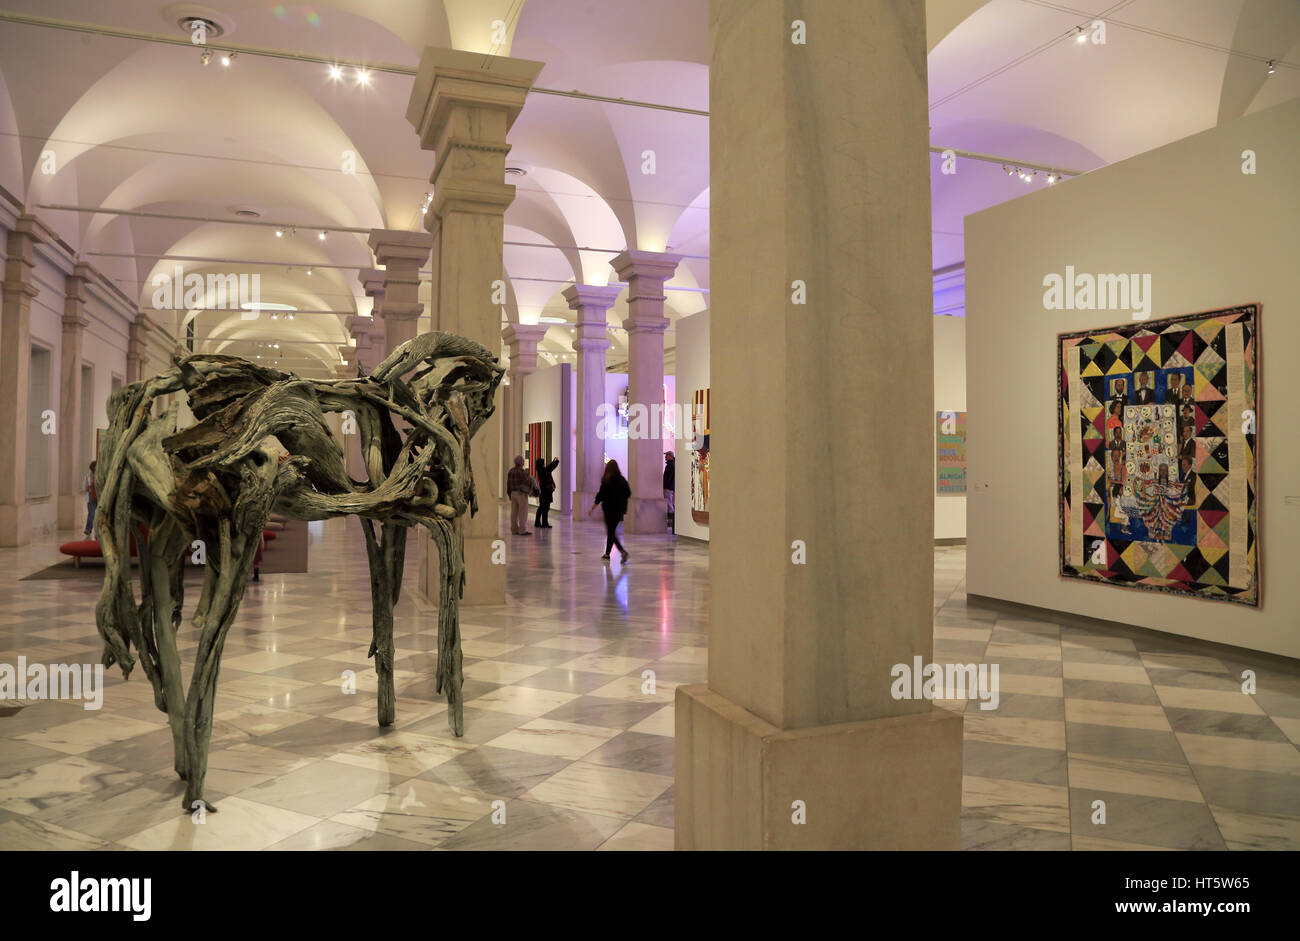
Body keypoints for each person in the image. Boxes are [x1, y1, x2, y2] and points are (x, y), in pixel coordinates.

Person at [590, 459, 631, 562]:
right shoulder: (622, 479)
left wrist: (593, 506)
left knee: (611, 531)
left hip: (609, 509)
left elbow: (601, 494)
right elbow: (628, 493)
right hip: (619, 510)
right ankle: (607, 553)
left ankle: (622, 551)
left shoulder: (606, 480)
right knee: (611, 531)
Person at [506, 455, 534, 535]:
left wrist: (509, 494)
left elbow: (508, 483)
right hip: (521, 494)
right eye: (523, 461)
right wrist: (530, 492)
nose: (524, 462)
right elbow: (527, 483)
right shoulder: (522, 472)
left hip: (513, 493)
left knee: (514, 513)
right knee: (523, 512)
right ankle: (522, 530)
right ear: (521, 462)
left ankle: (514, 530)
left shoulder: (511, 471)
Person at [534, 456, 559, 529]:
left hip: (544, 491)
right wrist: (556, 461)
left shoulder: (540, 470)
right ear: (542, 464)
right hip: (546, 491)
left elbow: (549, 468)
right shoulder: (543, 470)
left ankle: (538, 522)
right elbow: (550, 467)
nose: (545, 464)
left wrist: (553, 462)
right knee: (545, 507)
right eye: (544, 463)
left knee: (542, 507)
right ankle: (544, 523)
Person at [82, 460, 97, 537]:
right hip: (91, 498)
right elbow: (83, 487)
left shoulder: (100, 475)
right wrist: (87, 488)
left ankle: (98, 530)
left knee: (99, 515)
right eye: (94, 467)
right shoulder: (88, 476)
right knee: (92, 514)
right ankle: (88, 529)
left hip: (100, 498)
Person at [663, 451, 676, 528]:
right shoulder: (672, 464)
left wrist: (665, 486)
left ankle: (671, 521)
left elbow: (669, 477)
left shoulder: (670, 465)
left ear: (670, 456)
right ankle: (671, 521)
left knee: (669, 504)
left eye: (666, 455)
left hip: (668, 488)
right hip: (671, 487)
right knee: (670, 504)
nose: (665, 457)